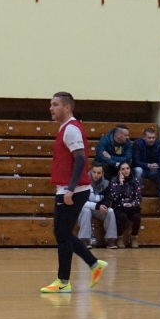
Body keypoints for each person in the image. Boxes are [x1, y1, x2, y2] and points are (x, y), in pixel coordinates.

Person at [41, 92, 108, 294]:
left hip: (73, 190)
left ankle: (64, 281)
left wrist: (70, 189)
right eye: (51, 104)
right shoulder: (66, 128)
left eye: (55, 104)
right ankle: (93, 264)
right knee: (62, 233)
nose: (51, 108)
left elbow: (80, 160)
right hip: (68, 188)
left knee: (61, 234)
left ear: (67, 107)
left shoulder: (71, 129)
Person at [77, 164, 118, 249]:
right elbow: (81, 202)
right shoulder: (83, 182)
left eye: (98, 173)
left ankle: (111, 239)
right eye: (94, 172)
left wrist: (105, 205)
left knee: (110, 211)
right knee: (86, 211)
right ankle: (84, 239)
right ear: (91, 171)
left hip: (98, 208)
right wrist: (98, 206)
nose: (96, 175)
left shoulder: (106, 183)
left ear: (102, 174)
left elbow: (108, 197)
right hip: (84, 207)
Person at [108, 161, 143, 249]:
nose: (126, 170)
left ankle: (134, 237)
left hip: (131, 207)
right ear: (119, 171)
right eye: (123, 169)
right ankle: (119, 237)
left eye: (127, 168)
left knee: (137, 217)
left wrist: (132, 204)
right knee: (122, 217)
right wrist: (120, 184)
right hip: (119, 206)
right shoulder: (114, 181)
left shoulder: (135, 181)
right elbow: (114, 197)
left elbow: (138, 197)